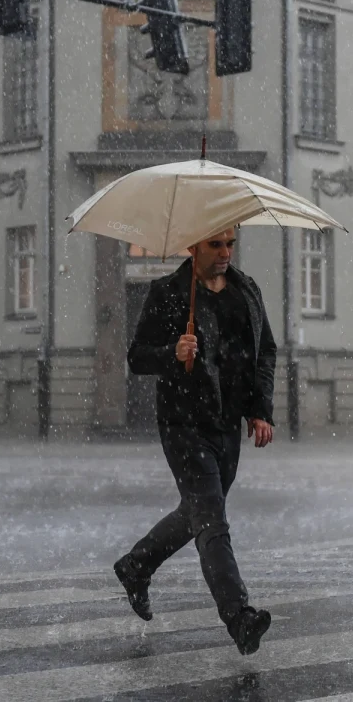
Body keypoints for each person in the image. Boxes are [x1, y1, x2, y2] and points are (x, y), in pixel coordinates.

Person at [114, 228, 277, 655]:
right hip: (183, 424)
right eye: (215, 244)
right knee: (212, 521)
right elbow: (136, 356)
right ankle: (239, 616)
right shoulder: (168, 293)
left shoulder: (246, 291)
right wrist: (173, 352)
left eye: (230, 244)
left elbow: (265, 352)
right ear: (193, 246)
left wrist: (260, 409)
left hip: (227, 424)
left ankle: (136, 565)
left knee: (198, 513)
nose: (225, 253)